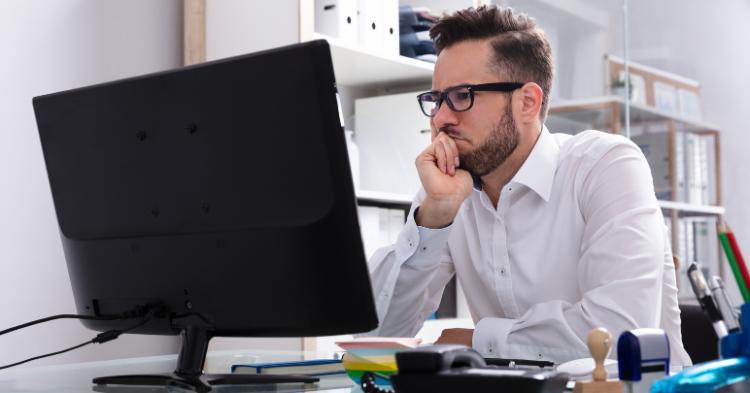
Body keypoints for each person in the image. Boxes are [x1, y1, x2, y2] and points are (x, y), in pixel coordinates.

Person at [365, 5, 691, 367]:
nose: (441, 118)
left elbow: (617, 336)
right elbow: (373, 340)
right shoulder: (447, 193)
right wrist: (432, 221)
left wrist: (479, 340)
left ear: (527, 102)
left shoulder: (606, 165)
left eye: (462, 96)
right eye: (436, 99)